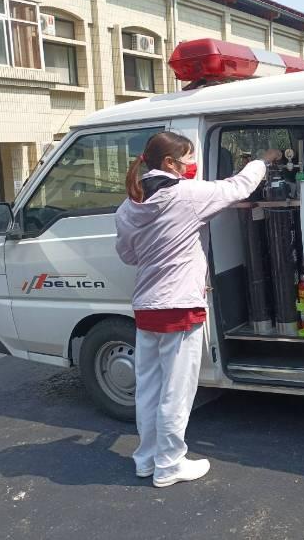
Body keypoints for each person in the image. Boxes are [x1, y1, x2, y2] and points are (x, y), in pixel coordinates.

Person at [115, 131, 281, 488]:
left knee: (149, 388)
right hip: (179, 307)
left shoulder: (128, 207)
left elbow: (128, 255)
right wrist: (262, 162)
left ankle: (146, 458)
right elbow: (237, 187)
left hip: (147, 307)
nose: (193, 165)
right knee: (177, 389)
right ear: (171, 164)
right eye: (188, 159)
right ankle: (170, 464)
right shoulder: (187, 196)